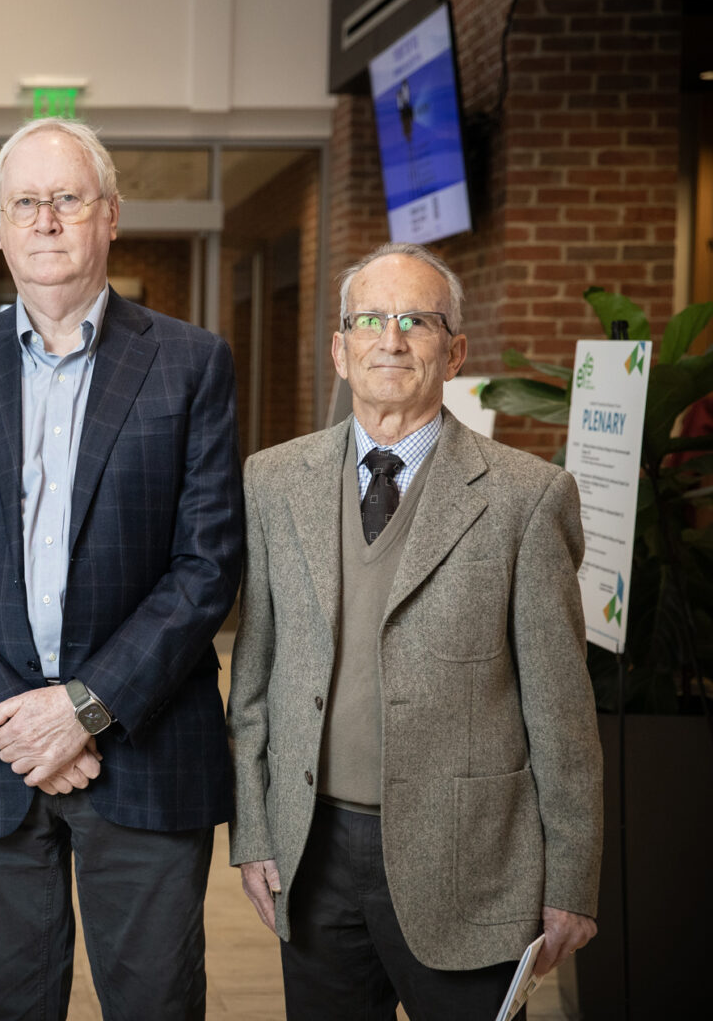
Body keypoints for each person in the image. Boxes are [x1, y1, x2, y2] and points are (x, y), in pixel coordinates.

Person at [0, 117, 243, 1020]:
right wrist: (15, 720)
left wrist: (83, 708)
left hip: (146, 748)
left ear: (110, 216)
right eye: (26, 204)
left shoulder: (191, 363)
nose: (46, 220)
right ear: (1, 228)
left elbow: (205, 565)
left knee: (157, 1003)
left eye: (67, 199)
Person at [228, 242, 603, 1020]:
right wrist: (254, 833)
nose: (390, 339)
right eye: (369, 320)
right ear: (339, 348)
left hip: (472, 868)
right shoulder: (270, 481)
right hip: (315, 853)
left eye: (417, 321)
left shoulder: (526, 499)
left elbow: (563, 715)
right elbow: (255, 680)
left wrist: (571, 883)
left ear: (455, 350)